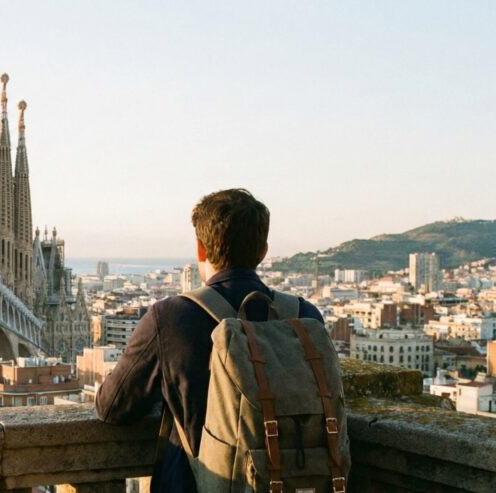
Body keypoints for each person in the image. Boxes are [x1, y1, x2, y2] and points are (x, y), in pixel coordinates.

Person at [95, 188, 324, 492]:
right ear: (263, 252)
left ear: (200, 250)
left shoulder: (171, 318)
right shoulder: (305, 317)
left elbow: (112, 407)